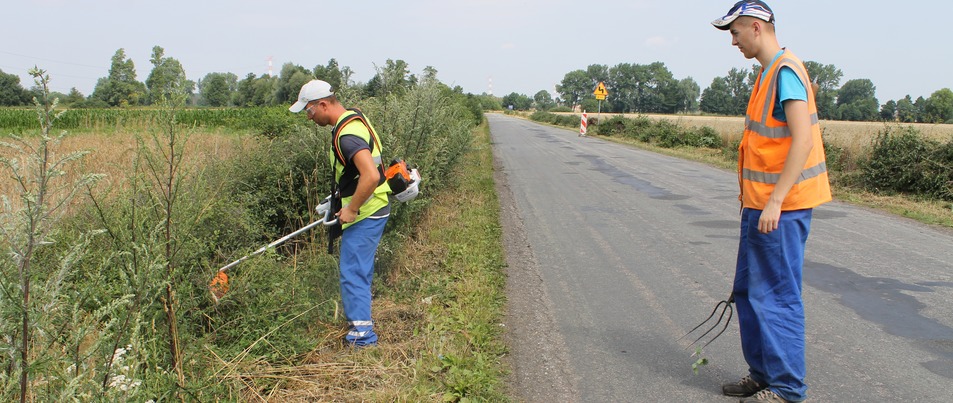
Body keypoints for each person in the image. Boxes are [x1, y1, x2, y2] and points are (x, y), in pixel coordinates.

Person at [711, 2, 832, 402]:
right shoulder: (766, 73)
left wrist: (777, 200)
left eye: (735, 33)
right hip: (759, 205)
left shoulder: (785, 71)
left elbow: (803, 139)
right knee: (748, 292)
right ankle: (762, 373)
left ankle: (787, 390)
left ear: (757, 27)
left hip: (781, 207)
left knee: (776, 297)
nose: (733, 41)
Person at [290, 79, 391, 347]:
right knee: (358, 270)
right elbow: (356, 173)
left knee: (352, 272)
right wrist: (337, 200)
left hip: (367, 211)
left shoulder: (347, 136)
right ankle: (362, 327)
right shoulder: (353, 119)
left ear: (323, 104)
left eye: (309, 112)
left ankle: (362, 338)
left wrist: (352, 208)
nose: (309, 118)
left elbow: (369, 176)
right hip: (374, 206)